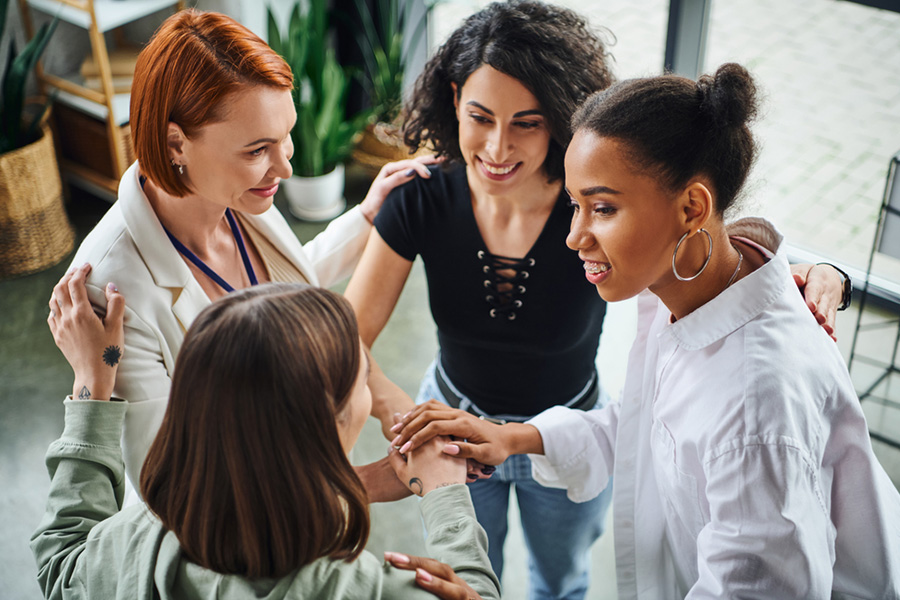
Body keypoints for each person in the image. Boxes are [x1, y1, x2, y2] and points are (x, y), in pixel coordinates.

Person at [344, 2, 846, 598]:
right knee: (476, 573)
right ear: (454, 101)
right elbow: (347, 338)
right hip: (465, 425)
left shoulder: (611, 215)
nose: (498, 148)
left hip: (573, 418)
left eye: (527, 123)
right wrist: (424, 431)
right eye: (481, 116)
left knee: (562, 582)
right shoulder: (433, 199)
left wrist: (811, 269)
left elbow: (691, 232)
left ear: (558, 120)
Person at [48, 9, 434, 495]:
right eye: (257, 150)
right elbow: (177, 485)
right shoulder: (112, 289)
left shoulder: (236, 195)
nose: (285, 168)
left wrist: (365, 218)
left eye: (286, 135)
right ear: (176, 145)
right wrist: (362, 484)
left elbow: (276, 295)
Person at [33, 267, 501, 600]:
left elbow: (62, 565)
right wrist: (445, 495)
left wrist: (92, 388)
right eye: (364, 379)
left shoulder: (141, 538)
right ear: (326, 423)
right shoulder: (374, 590)